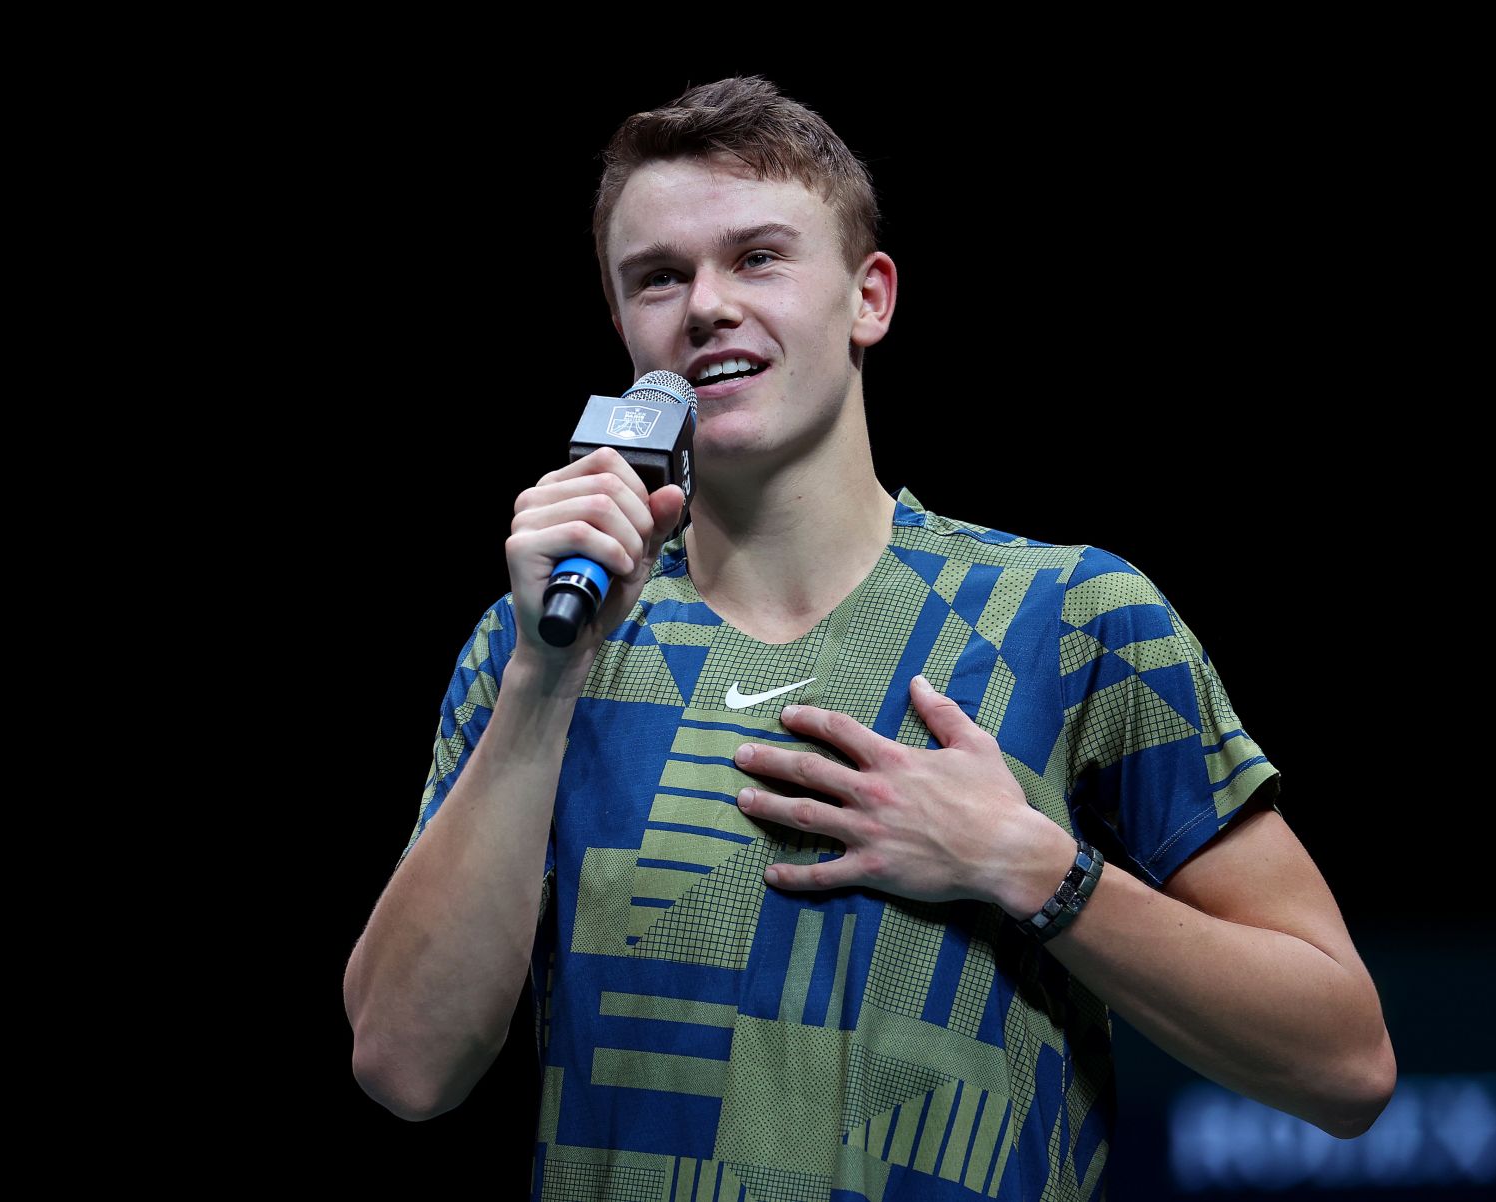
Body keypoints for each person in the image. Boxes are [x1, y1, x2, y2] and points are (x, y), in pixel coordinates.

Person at [344, 76, 1395, 1200]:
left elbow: (1345, 1059)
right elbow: (406, 1065)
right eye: (659, 276)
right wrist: (543, 682)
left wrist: (1035, 867)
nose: (704, 306)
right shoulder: (534, 643)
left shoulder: (1075, 616)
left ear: (869, 297)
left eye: (757, 257)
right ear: (624, 331)